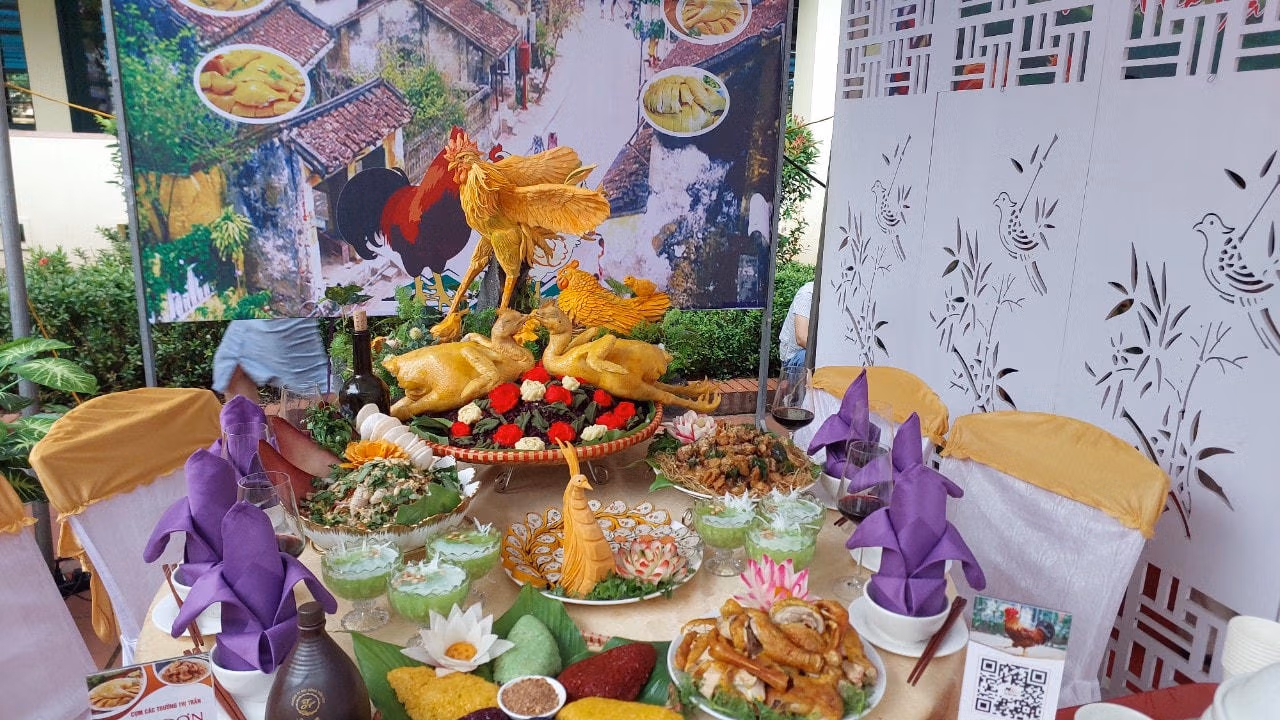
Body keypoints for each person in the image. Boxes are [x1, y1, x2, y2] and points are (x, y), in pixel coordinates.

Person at [213, 318, 334, 401]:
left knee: (317, 385)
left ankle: (341, 422)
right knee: (230, 367)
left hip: (280, 304)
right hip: (258, 307)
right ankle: (249, 430)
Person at [778, 281, 813, 368]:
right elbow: (802, 339)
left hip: (819, 354)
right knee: (806, 357)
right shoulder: (807, 294)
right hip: (796, 357)